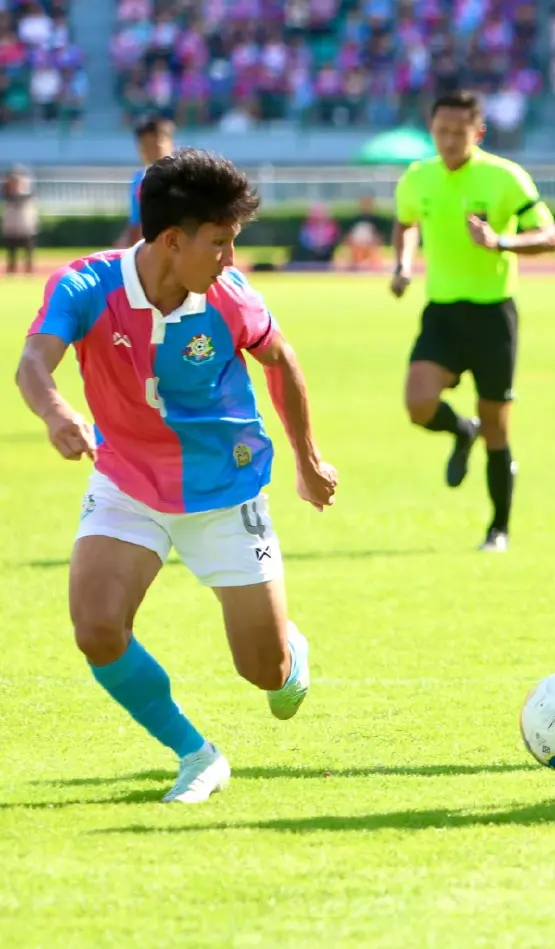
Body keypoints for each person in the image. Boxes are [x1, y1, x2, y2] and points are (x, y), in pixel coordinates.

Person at [15, 149, 338, 804]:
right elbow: (32, 362)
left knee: (267, 675)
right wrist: (55, 414)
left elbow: (284, 362)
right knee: (97, 627)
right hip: (127, 482)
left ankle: (287, 652)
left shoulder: (231, 296)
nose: (229, 258)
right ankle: (197, 754)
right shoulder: (84, 287)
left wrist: (307, 460)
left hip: (226, 491)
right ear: (171, 239)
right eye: (219, 243)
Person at [391, 90, 555, 552]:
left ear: (478, 131)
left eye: (458, 132)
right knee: (418, 403)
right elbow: (406, 222)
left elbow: (549, 235)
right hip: (443, 312)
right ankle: (460, 430)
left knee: (498, 426)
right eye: (440, 131)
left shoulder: (505, 178)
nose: (448, 140)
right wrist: (404, 264)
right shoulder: (417, 177)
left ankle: (498, 528)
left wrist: (501, 242)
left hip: (493, 315)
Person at [117, 115, 175, 249]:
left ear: (170, 143)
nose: (150, 152)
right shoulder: (139, 180)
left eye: (156, 145)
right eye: (145, 146)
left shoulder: (183, 177)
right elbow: (135, 221)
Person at [3, 164, 37, 275]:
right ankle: (11, 270)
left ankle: (29, 270)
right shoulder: (7, 195)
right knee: (11, 252)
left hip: (25, 227)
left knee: (28, 251)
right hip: (12, 227)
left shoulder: (28, 194)